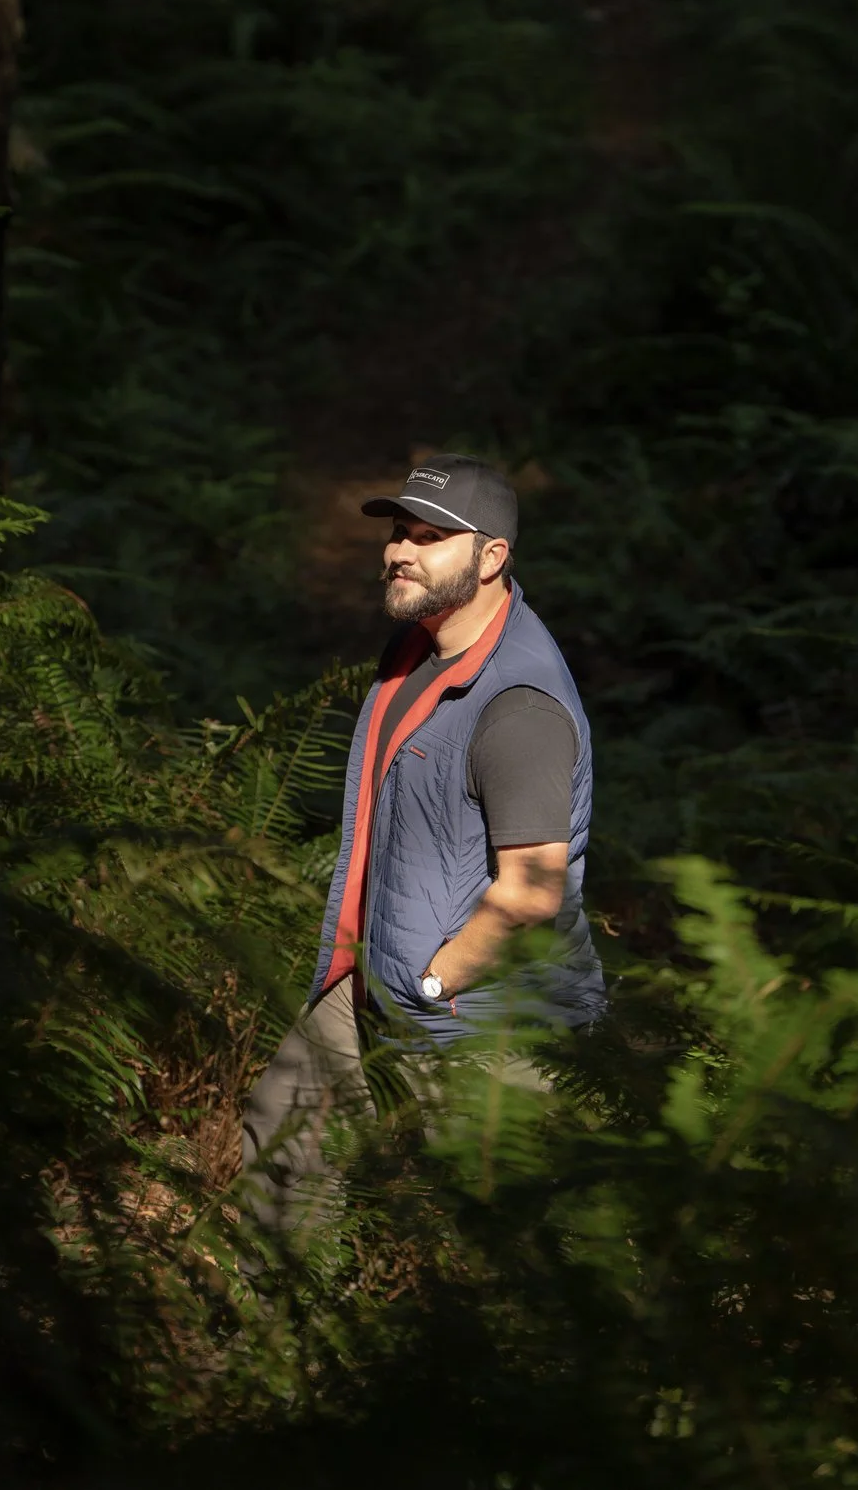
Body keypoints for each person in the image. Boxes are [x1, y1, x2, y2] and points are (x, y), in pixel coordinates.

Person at [237, 453, 604, 1242]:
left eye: (432, 536)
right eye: (399, 532)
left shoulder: (518, 705)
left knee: (475, 1251)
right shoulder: (418, 651)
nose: (400, 550)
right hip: (376, 977)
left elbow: (532, 890)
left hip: (476, 1021)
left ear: (492, 557)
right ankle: (260, 1344)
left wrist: (434, 984)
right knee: (280, 1154)